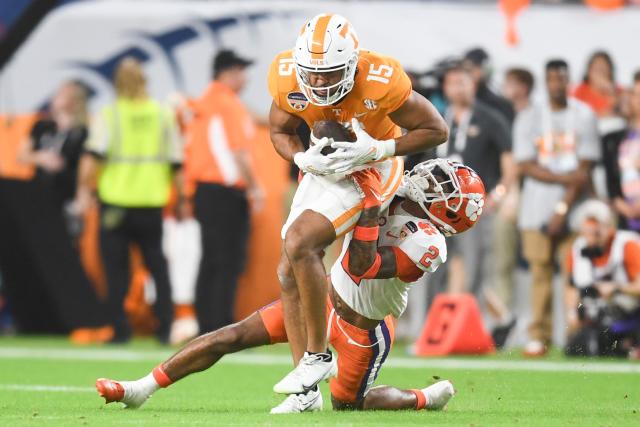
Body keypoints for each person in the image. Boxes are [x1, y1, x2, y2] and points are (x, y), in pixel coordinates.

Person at [95, 154, 486, 413]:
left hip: (363, 331)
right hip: (325, 303)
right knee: (231, 336)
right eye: (440, 176)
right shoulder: (391, 188)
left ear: (449, 212)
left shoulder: (428, 244)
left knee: (350, 405)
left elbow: (362, 265)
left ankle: (421, 399)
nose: (432, 180)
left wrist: (369, 204)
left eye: (444, 187)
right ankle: (141, 388)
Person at [267, 13, 448, 395]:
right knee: (287, 271)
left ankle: (317, 357)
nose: (318, 82)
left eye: (329, 73)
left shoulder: (379, 81)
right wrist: (301, 158)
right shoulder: (287, 77)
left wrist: (379, 147)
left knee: (301, 244)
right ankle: (306, 394)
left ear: (351, 64)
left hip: (374, 163)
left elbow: (437, 129)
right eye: (311, 74)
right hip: (327, 163)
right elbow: (280, 130)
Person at [75, 57, 183, 343]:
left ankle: (120, 330)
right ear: (144, 80)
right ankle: (165, 328)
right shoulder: (162, 114)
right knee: (158, 267)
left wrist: (83, 191)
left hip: (116, 203)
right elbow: (176, 161)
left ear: (116, 84)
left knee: (116, 270)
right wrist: (183, 198)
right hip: (151, 202)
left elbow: (92, 158)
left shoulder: (110, 115)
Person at [514, 59, 601, 356]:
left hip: (575, 205)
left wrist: (563, 206)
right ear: (545, 81)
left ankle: (574, 335)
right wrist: (566, 178)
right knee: (540, 270)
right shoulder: (529, 116)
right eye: (552, 79)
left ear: (569, 80)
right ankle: (538, 335)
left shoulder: (585, 115)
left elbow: (586, 164)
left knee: (574, 272)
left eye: (562, 78)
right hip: (537, 204)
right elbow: (525, 164)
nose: (557, 84)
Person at [182, 49, 264, 333]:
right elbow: (238, 151)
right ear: (228, 73)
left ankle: (207, 322)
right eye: (242, 71)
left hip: (205, 191)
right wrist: (255, 188)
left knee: (211, 258)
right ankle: (221, 326)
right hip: (225, 192)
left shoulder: (205, 102)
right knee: (227, 260)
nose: (245, 78)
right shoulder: (228, 104)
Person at [432, 64, 515, 307]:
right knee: (433, 262)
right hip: (436, 205)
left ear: (473, 85)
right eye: (452, 83)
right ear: (445, 87)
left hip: (473, 205)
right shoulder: (436, 117)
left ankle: (473, 323)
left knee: (474, 263)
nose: (457, 89)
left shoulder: (490, 119)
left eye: (462, 82)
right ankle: (431, 326)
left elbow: (510, 163)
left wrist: (498, 196)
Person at [564, 199, 640, 357]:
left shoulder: (627, 245)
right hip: (599, 315)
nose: (591, 240)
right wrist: (572, 313)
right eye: (586, 233)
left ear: (608, 227)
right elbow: (571, 286)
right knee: (577, 347)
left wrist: (616, 288)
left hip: (631, 312)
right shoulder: (577, 249)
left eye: (596, 233)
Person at [18, 81, 88, 214]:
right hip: (37, 192)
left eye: (61, 94)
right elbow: (21, 155)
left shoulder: (82, 132)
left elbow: (85, 167)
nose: (54, 97)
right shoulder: (42, 126)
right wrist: (41, 157)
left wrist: (82, 196)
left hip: (65, 196)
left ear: (72, 101)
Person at [603, 71, 640, 232]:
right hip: (626, 223)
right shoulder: (614, 140)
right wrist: (622, 205)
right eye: (635, 94)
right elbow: (612, 179)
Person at [463, 47, 515, 125]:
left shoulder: (501, 105)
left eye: (471, 69)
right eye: (465, 70)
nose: (467, 74)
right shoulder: (454, 100)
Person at [572, 51, 622, 119]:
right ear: (589, 72)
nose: (599, 75)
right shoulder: (580, 91)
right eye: (596, 69)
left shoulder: (619, 91)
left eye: (603, 69)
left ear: (610, 71)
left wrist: (611, 92)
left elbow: (623, 114)